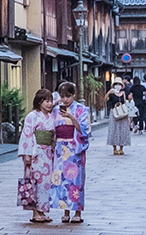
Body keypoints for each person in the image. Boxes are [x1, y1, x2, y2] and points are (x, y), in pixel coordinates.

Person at [49, 81, 92, 223]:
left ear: (73, 95)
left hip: (74, 148)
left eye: (68, 96)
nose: (65, 99)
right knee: (62, 180)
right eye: (62, 96)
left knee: (76, 180)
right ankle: (65, 211)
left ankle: (78, 212)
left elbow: (85, 130)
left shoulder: (81, 109)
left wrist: (72, 118)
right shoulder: (56, 110)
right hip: (60, 148)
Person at [17, 89, 57, 223]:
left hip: (47, 153)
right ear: (39, 102)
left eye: (51, 101)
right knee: (35, 181)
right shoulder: (32, 116)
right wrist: (26, 154)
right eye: (46, 101)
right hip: (36, 153)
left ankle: (42, 210)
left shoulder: (52, 117)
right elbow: (26, 135)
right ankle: (35, 212)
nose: (50, 104)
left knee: (45, 183)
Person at [106, 80, 132, 156]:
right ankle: (114, 148)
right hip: (114, 112)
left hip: (122, 112)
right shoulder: (111, 93)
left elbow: (125, 102)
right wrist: (108, 93)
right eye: (116, 84)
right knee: (113, 129)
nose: (117, 85)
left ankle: (121, 148)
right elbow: (104, 100)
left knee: (122, 129)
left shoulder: (123, 93)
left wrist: (129, 98)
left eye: (119, 84)